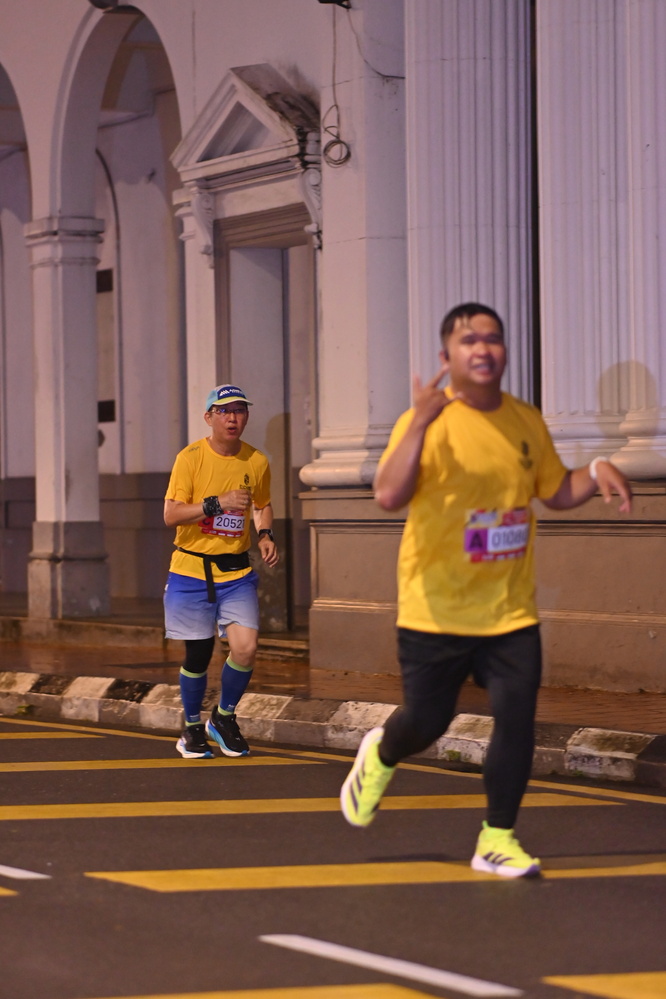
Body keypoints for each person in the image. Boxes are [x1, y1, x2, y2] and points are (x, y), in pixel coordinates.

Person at [340, 303, 632, 877]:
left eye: (493, 338)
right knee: (428, 722)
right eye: (469, 339)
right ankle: (383, 751)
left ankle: (497, 838)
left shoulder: (524, 420)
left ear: (504, 351)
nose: (483, 348)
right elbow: (389, 495)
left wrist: (597, 469)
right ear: (446, 356)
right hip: (435, 608)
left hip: (509, 609)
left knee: (516, 720)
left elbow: (555, 490)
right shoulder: (426, 421)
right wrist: (420, 421)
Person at [163, 384, 279, 760]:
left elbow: (262, 504)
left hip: (236, 571)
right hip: (191, 570)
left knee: (246, 648)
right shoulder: (190, 458)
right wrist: (217, 503)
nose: (233, 418)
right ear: (209, 417)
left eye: (240, 410)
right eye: (224, 411)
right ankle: (191, 728)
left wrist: (265, 534)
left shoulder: (256, 461)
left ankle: (223, 718)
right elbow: (171, 514)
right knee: (198, 654)